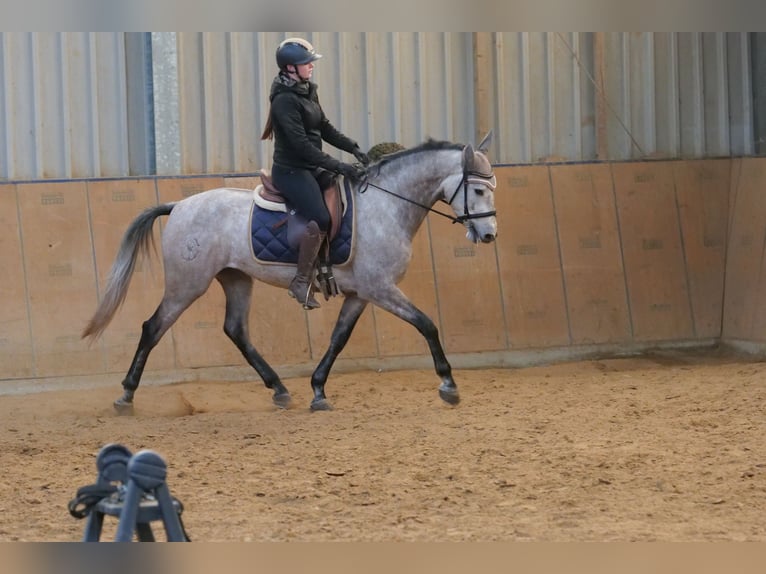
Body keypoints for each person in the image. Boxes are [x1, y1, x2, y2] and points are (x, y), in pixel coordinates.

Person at [261, 37, 369, 310]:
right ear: (289, 68)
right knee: (320, 217)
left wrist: (353, 147)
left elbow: (324, 127)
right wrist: (339, 165)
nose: (311, 66)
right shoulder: (284, 101)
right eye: (305, 63)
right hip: (291, 170)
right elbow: (302, 147)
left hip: (310, 166)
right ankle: (300, 280)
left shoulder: (307, 90)